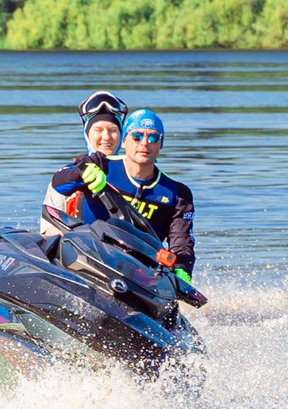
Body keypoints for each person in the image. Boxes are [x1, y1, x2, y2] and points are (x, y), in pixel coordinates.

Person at [52, 107, 197, 297]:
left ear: (161, 144)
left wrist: (182, 272)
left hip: (138, 271)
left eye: (153, 137)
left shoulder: (177, 194)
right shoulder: (100, 165)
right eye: (137, 136)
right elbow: (58, 183)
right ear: (124, 141)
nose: (144, 143)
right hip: (86, 255)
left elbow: (182, 243)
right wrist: (81, 174)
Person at [42, 90, 125, 240]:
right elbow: (48, 230)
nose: (106, 137)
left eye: (113, 130)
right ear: (87, 134)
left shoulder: (135, 174)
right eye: (98, 130)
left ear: (121, 135)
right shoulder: (69, 173)